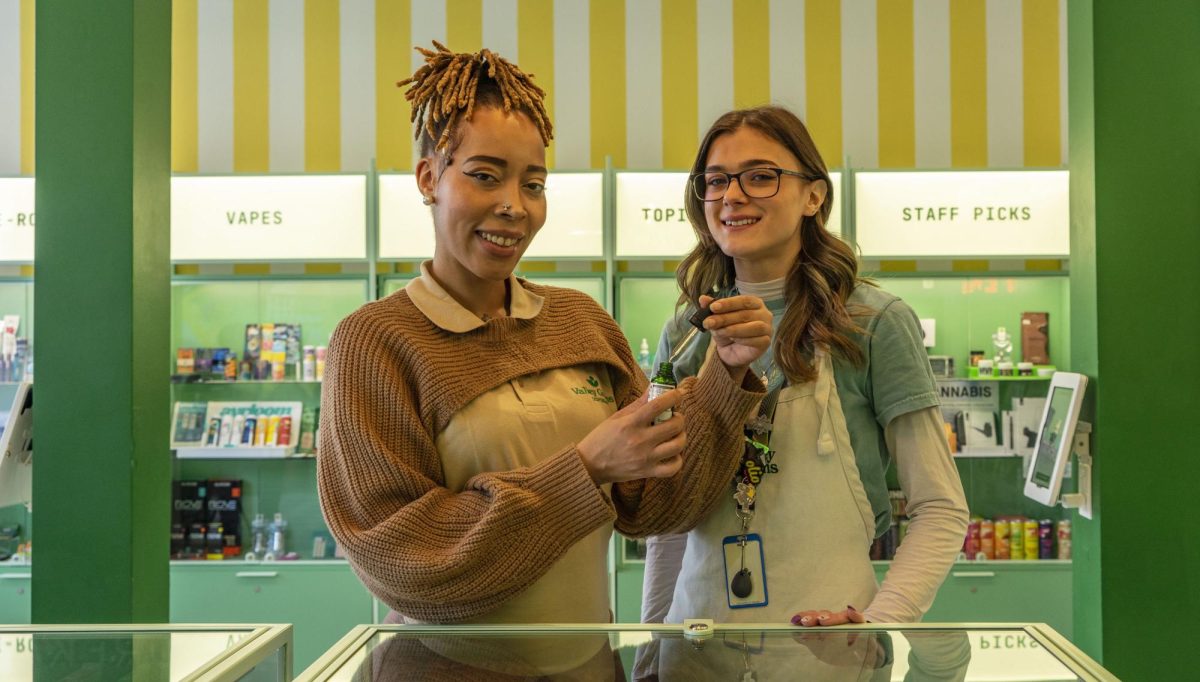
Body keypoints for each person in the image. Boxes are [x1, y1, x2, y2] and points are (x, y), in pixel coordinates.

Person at [316, 42, 772, 639]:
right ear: (430, 177)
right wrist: (584, 470)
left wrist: (726, 373)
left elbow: (657, 504)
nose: (513, 206)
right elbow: (402, 558)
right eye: (485, 176)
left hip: (587, 664)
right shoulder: (376, 342)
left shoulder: (580, 320)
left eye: (534, 184)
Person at [638, 105, 969, 642]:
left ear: (814, 196)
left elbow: (940, 506)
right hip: (697, 643)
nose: (733, 195)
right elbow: (671, 526)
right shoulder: (686, 331)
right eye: (716, 180)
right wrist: (653, 641)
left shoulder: (873, 323)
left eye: (761, 176)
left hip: (828, 644)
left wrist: (879, 624)